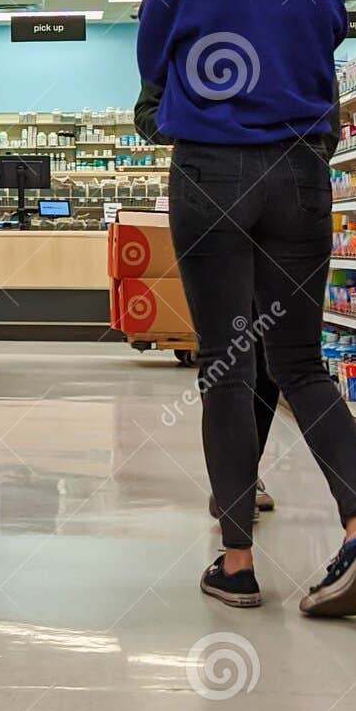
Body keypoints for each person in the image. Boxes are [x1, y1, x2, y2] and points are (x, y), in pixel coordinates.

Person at [136, 0, 356, 616]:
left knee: (226, 362)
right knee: (299, 361)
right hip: (301, 173)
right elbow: (321, 61)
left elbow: (153, 60)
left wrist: (171, 103)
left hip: (213, 172)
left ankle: (239, 561)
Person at [136, 79, 276, 516]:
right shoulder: (185, 42)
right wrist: (198, 125)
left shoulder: (275, 36)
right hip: (210, 201)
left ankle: (245, 471)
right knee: (230, 356)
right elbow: (147, 118)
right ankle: (233, 484)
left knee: (269, 357)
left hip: (279, 203)